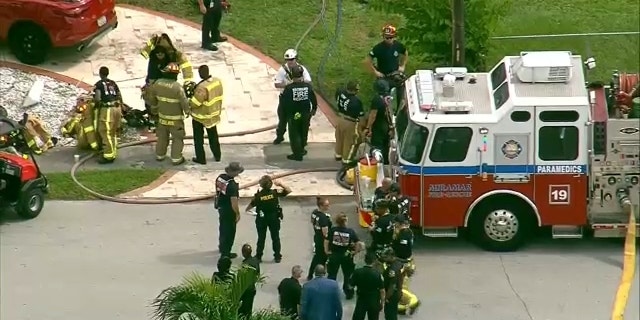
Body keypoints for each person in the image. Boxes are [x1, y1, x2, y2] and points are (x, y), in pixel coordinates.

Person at [143, 63, 190, 165]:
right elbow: (184, 102)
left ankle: (160, 155)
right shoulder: (178, 87)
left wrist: (154, 110)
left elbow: (152, 99)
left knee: (162, 137)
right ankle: (176, 158)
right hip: (176, 120)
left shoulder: (157, 84)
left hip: (162, 117)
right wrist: (188, 111)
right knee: (177, 138)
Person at [244, 175, 292, 263]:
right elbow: (288, 190)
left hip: (262, 219)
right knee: (275, 237)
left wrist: (250, 211)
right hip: (274, 218)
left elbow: (249, 207)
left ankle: (259, 256)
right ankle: (277, 256)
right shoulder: (275, 193)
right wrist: (280, 184)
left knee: (261, 238)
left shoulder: (258, 196)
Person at [273, 49, 313, 145]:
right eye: (288, 60)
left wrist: (298, 82)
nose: (290, 62)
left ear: (296, 59)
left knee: (299, 121)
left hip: (298, 100)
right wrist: (288, 84)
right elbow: (277, 84)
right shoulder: (282, 70)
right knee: (282, 119)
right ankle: (280, 136)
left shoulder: (301, 69)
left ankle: (301, 140)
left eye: (292, 59)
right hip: (285, 99)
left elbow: (308, 81)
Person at [280, 64, 317, 161]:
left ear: (292, 75)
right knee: (303, 131)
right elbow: (313, 99)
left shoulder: (289, 88)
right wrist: (314, 110)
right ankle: (302, 149)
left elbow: (284, 103)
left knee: (294, 133)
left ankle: (297, 154)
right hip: (305, 114)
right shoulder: (308, 86)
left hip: (294, 115)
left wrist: (285, 115)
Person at [189, 65, 223, 164]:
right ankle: (217, 155)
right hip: (213, 114)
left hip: (201, 116)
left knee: (198, 139)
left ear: (200, 74)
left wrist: (189, 101)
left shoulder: (202, 87)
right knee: (213, 137)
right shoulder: (217, 81)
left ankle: (201, 158)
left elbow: (195, 103)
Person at [325, 213, 363, 299]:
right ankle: (349, 292)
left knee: (332, 274)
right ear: (345, 221)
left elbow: (326, 241)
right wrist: (355, 252)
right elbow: (358, 243)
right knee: (348, 275)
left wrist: (326, 251)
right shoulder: (350, 231)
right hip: (346, 256)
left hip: (334, 255)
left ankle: (330, 292)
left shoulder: (333, 230)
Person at [368, 24, 408, 106]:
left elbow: (405, 53)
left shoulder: (398, 46)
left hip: (396, 75)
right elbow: (368, 60)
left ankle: (399, 109)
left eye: (391, 37)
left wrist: (403, 65)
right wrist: (375, 72)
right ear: (383, 37)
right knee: (385, 98)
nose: (389, 39)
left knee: (401, 93)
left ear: (394, 37)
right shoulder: (378, 48)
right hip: (384, 76)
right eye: (387, 37)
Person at [93, 66, 122, 164]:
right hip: (117, 109)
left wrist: (95, 106)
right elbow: (119, 96)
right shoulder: (113, 83)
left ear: (100, 74)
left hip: (107, 110)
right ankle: (113, 152)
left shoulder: (99, 84)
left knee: (105, 132)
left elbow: (97, 98)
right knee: (113, 131)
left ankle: (108, 156)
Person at [214, 162, 243, 259]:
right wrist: (237, 213)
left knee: (222, 228)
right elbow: (233, 201)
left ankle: (222, 247)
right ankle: (226, 253)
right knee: (230, 232)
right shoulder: (232, 185)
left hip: (220, 206)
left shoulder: (220, 177)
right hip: (229, 210)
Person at [392, 216, 420, 316]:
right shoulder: (409, 232)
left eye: (395, 223)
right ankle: (401, 307)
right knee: (403, 285)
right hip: (407, 261)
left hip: (403, 262)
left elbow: (402, 250)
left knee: (400, 287)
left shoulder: (403, 235)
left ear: (399, 223)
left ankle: (413, 300)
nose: (394, 225)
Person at [334, 80, 365, 165]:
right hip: (350, 122)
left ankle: (338, 155)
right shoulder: (356, 101)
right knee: (351, 141)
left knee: (340, 138)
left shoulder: (340, 92)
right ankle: (347, 160)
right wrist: (364, 128)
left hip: (340, 119)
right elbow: (361, 116)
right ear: (355, 90)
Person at [363, 79, 394, 164]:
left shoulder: (377, 99)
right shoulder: (391, 97)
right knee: (386, 146)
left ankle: (377, 163)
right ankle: (386, 162)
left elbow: (373, 115)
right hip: (389, 125)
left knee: (377, 146)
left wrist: (368, 127)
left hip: (379, 126)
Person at [350, 252, 385, 320]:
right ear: (374, 261)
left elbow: (350, 286)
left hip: (361, 298)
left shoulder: (357, 272)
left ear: (365, 260)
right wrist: (382, 302)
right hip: (374, 300)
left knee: (358, 317)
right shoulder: (377, 274)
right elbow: (382, 291)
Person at [307, 197, 332, 281]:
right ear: (321, 206)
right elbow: (325, 233)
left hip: (316, 237)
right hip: (322, 241)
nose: (328, 206)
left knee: (316, 257)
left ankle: (310, 274)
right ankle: (319, 274)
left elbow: (312, 221)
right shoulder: (323, 218)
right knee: (322, 258)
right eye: (326, 205)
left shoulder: (314, 212)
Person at [380, 248, 404, 320]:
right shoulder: (397, 263)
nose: (384, 259)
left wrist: (386, 297)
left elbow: (392, 285)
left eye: (386, 257)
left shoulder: (392, 269)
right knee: (393, 312)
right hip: (397, 292)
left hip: (392, 295)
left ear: (391, 256)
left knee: (390, 314)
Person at [239, 243, 260, 318]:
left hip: (246, 289)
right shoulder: (255, 260)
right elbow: (258, 274)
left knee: (243, 309)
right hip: (252, 288)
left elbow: (241, 277)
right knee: (249, 308)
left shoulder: (245, 264)